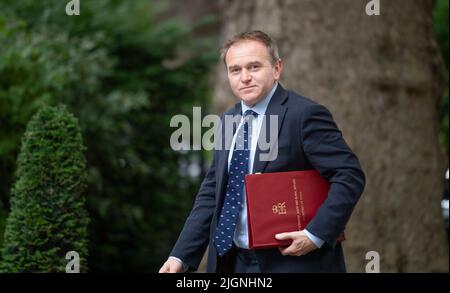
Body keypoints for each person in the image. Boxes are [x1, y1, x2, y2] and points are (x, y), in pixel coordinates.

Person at [159, 30, 365, 273]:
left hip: (294, 262)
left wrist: (315, 234)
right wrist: (180, 256)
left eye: (254, 67)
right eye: (235, 70)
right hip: (233, 262)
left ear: (277, 69)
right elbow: (212, 193)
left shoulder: (304, 115)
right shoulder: (228, 121)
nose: (244, 77)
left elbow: (349, 175)